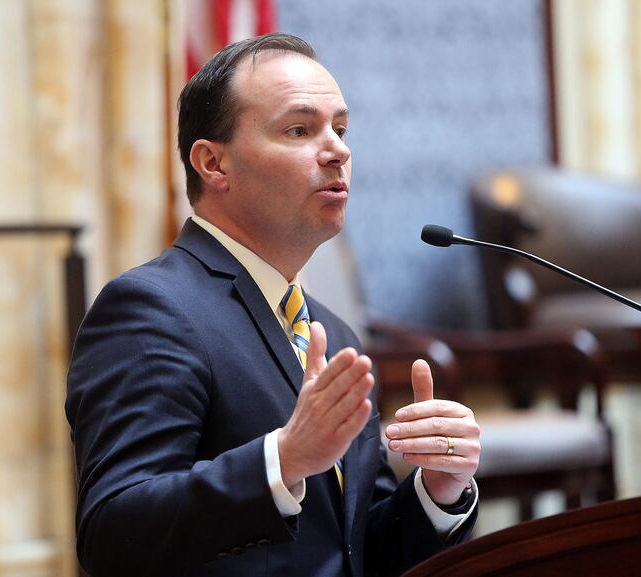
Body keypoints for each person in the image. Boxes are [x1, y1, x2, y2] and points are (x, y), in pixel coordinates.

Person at [65, 33, 481, 577]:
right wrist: (282, 461)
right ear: (214, 164)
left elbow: (358, 553)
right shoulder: (151, 309)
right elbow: (113, 536)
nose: (338, 150)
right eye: (300, 129)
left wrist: (438, 491)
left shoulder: (333, 336)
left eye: (341, 128)